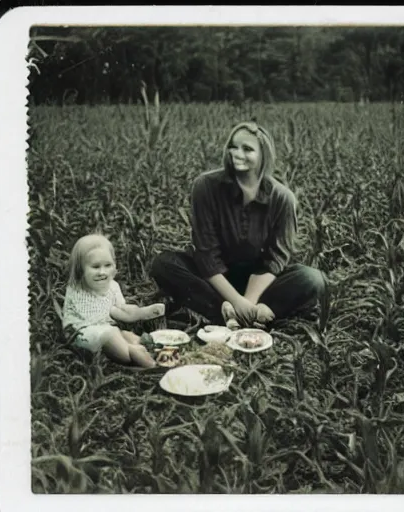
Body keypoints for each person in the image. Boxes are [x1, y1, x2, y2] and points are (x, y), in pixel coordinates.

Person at [149, 121, 329, 330]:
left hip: (259, 283)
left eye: (247, 149)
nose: (237, 153)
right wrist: (236, 301)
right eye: (233, 147)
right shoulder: (205, 186)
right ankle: (237, 314)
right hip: (214, 279)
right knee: (163, 264)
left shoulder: (282, 198)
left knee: (313, 279)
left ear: (264, 155)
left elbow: (274, 259)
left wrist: (247, 302)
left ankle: (244, 313)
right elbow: (206, 255)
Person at [62, 234, 166, 368]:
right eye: (95, 267)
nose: (102, 272)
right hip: (80, 333)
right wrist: (112, 319)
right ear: (80, 270)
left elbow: (120, 310)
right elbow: (92, 318)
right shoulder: (77, 289)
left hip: (106, 330)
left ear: (114, 266)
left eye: (107, 265)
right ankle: (142, 358)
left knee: (125, 334)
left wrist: (140, 313)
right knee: (112, 335)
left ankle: (144, 348)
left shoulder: (113, 286)